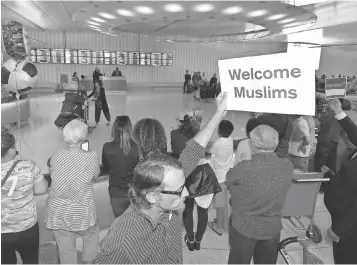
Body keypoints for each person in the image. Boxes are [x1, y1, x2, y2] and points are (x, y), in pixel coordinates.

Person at [95, 92, 228, 264]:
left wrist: (219, 113)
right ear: (153, 196)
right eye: (179, 191)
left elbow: (194, 150)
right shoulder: (122, 239)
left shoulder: (167, 188)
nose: (186, 194)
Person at [227, 125, 294, 264]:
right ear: (275, 143)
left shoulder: (243, 167)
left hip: (244, 228)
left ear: (254, 144)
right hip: (271, 228)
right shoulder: (287, 165)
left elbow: (229, 182)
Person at [45, 119, 100, 264]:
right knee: (91, 235)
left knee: (65, 250)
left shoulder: (57, 154)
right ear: (83, 137)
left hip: (59, 210)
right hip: (83, 210)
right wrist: (86, 153)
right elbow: (95, 174)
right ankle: (89, 261)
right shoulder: (91, 156)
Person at [1, 132, 48, 264]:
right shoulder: (28, 166)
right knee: (31, 260)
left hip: (2, 232)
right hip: (27, 228)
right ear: (11, 150)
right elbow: (42, 189)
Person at [324, 99, 357, 264]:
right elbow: (354, 132)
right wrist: (338, 111)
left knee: (346, 259)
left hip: (349, 228)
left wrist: (339, 229)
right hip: (342, 217)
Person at [102, 116, 140, 217]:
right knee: (135, 222)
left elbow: (105, 169)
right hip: (133, 192)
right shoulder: (136, 147)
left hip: (116, 193)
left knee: (120, 224)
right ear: (129, 129)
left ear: (114, 129)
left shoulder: (107, 147)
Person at [207, 120, 235, 236]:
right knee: (224, 202)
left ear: (219, 131)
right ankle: (222, 222)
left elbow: (208, 150)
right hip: (227, 175)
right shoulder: (230, 140)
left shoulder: (218, 143)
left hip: (218, 178)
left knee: (219, 204)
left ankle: (219, 227)